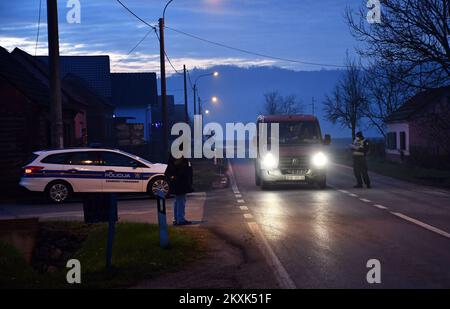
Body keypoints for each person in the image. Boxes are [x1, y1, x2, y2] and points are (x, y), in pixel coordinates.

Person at [165, 151, 194, 225]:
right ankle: (180, 220)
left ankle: (176, 219)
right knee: (180, 201)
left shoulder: (175, 155)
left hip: (177, 182)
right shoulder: (180, 158)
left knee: (178, 200)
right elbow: (182, 170)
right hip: (180, 182)